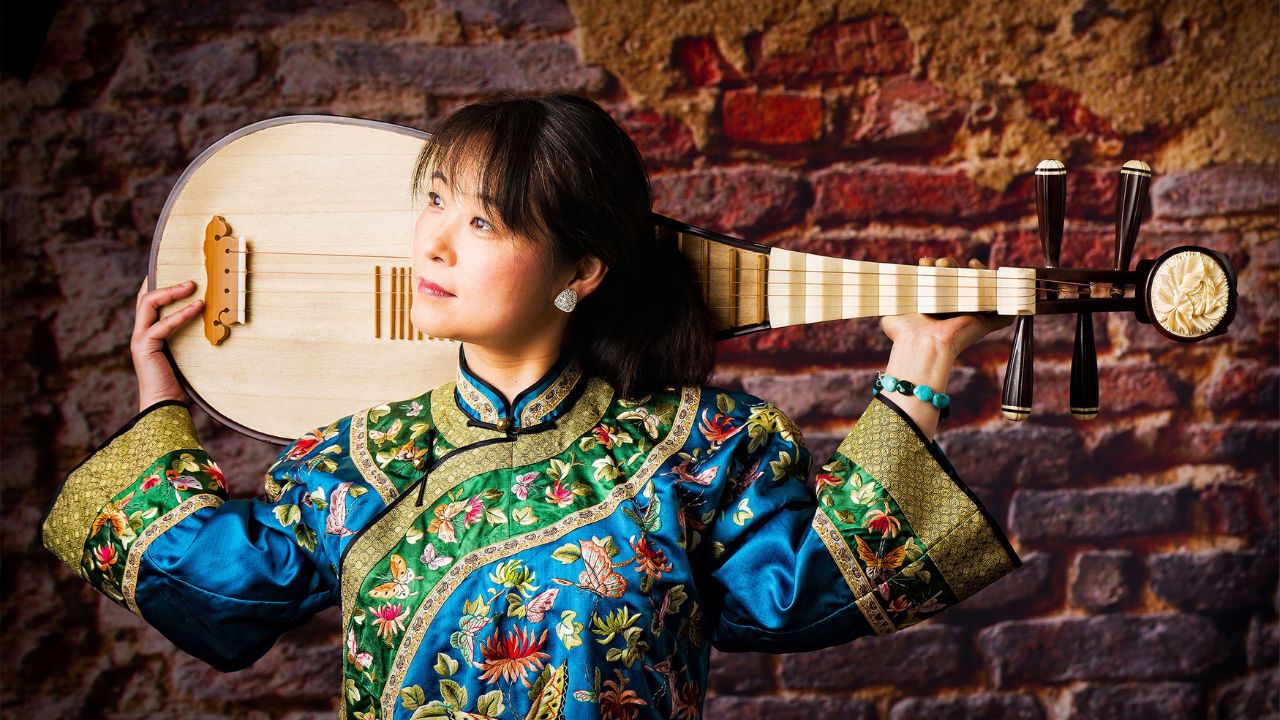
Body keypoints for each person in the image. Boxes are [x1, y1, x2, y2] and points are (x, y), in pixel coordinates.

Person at [40, 92, 1021, 720]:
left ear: (577, 271)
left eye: (480, 220)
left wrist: (919, 366)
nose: (432, 243)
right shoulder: (362, 456)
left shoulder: (697, 449)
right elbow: (214, 591)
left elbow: (813, 590)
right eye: (432, 202)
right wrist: (160, 390)